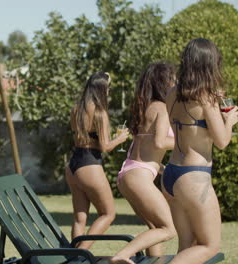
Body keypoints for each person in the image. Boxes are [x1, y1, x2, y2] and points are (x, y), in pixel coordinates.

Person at [162, 38, 238, 264]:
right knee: (209, 246)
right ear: (209, 65)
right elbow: (222, 141)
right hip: (193, 177)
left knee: (187, 246)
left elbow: (188, 126)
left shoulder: (171, 93)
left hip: (172, 173)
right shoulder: (206, 99)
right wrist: (229, 120)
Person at [111, 63, 177, 264]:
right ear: (164, 83)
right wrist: (188, 143)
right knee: (168, 229)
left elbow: (145, 144)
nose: (177, 83)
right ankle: (122, 255)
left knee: (156, 228)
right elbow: (159, 142)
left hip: (129, 173)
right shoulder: (162, 108)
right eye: (174, 79)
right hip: (139, 176)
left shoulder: (145, 107)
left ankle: (154, 261)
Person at [66, 71, 129, 250]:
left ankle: (73, 256)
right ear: (102, 89)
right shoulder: (100, 113)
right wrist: (120, 138)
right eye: (108, 87)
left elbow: (79, 135)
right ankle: (81, 253)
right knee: (108, 214)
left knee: (80, 217)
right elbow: (105, 147)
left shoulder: (76, 108)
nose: (109, 91)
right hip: (89, 164)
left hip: (73, 164)